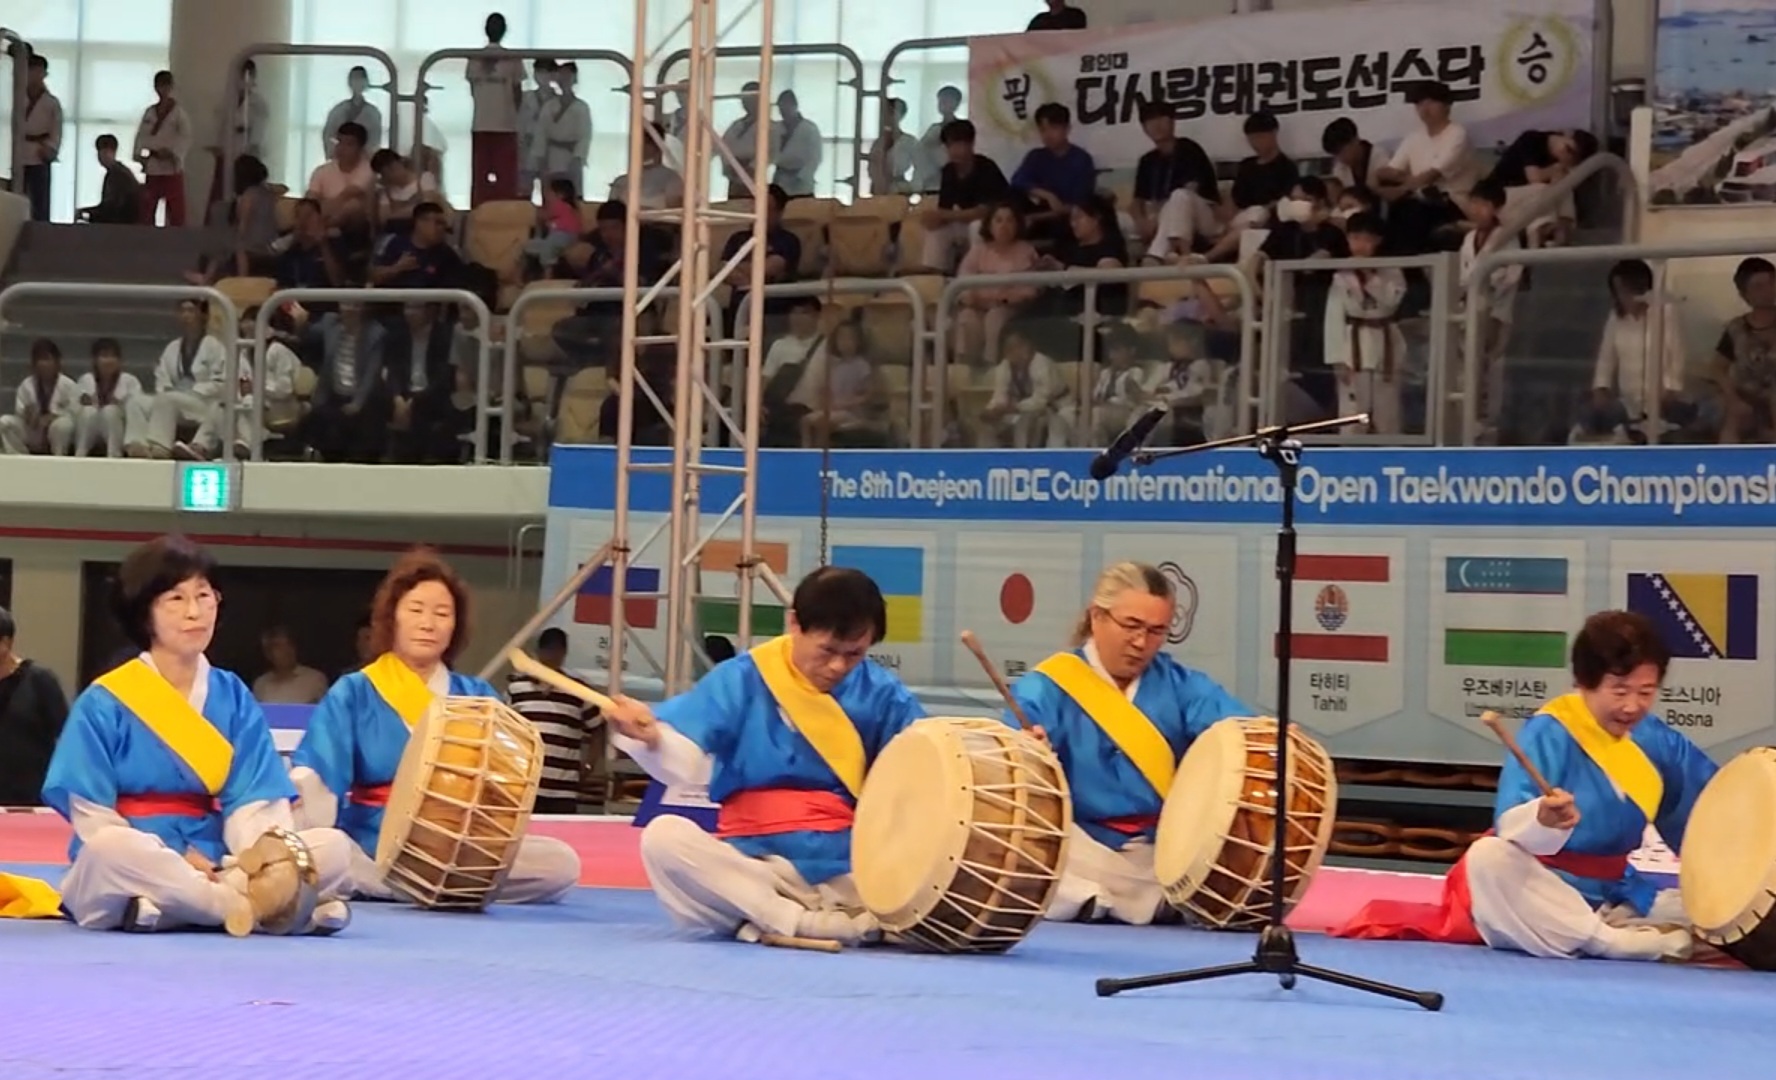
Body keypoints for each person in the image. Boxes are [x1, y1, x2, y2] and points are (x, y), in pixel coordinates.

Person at [1336, 610, 1719, 962]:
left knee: (1708, 909)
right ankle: (1609, 942)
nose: (1633, 706)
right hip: (1538, 888)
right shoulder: (1551, 731)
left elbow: (1705, 814)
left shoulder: (1657, 742)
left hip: (1612, 890)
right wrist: (1544, 818)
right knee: (1488, 857)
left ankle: (1598, 930)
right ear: (1583, 682)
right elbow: (1511, 828)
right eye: (1619, 691)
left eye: (1646, 692)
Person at [31, 536, 353, 933]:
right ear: (145, 612)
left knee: (332, 849)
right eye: (176, 599)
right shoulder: (105, 700)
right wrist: (176, 856)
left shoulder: (232, 695)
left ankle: (175, 907)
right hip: (137, 855)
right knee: (109, 851)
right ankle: (255, 907)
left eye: (204, 596)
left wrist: (261, 859)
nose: (194, 612)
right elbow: (94, 818)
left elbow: (256, 803)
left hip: (219, 856)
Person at [601, 567, 928, 945]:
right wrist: (650, 737)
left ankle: (764, 920)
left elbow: (922, 766)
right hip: (752, 867)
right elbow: (683, 750)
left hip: (845, 870)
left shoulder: (883, 694)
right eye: (827, 651)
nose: (838, 666)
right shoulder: (743, 678)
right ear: (794, 624)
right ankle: (797, 921)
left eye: (854, 654)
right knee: (663, 839)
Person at [290, 548, 581, 903]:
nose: (428, 624)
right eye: (415, 610)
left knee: (560, 864)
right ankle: (412, 884)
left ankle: (419, 886)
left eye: (442, 614)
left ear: (455, 626)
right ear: (391, 618)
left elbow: (504, 787)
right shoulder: (356, 691)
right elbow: (319, 776)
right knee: (333, 852)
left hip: (462, 845)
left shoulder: (476, 697)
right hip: (375, 843)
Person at [1009, 562, 1249, 925]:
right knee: (1026, 852)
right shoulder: (1046, 687)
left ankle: (1107, 899)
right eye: (1131, 626)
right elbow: (1006, 756)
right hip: (1080, 842)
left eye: (1156, 631)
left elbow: (1240, 734)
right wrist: (1027, 751)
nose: (1141, 642)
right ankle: (1136, 901)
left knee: (1208, 861)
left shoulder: (1182, 686)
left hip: (1158, 848)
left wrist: (1267, 736)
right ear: (1096, 617)